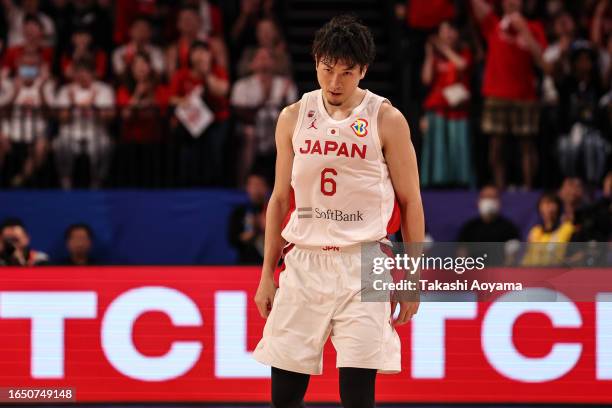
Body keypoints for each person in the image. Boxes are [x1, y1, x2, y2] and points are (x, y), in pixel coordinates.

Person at [252, 15, 424, 408]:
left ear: (363, 71)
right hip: (304, 261)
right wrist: (266, 274)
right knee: (285, 395)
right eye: (327, 70)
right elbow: (279, 199)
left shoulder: (387, 119)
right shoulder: (293, 117)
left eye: (347, 73)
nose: (334, 83)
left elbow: (412, 201)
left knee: (358, 397)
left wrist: (412, 277)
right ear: (315, 61)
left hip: (367, 259)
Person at [471, 0, 547, 189]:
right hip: (496, 94)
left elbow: (542, 60)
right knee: (496, 146)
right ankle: (500, 189)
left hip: (525, 95)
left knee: (527, 146)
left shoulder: (534, 27)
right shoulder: (494, 24)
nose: (512, 2)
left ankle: (528, 188)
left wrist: (524, 30)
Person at [231, 47, 298, 185]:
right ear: (252, 63)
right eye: (260, 58)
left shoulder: (284, 84)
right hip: (252, 127)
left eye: (267, 58)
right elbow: (238, 110)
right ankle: (244, 181)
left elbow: (292, 109)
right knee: (249, 133)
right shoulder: (242, 85)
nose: (264, 62)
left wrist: (282, 101)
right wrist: (262, 106)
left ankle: (285, 182)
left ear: (274, 63)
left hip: (278, 126)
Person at [420, 19, 474, 188]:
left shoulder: (464, 52)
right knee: (437, 150)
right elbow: (426, 79)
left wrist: (444, 48)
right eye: (444, 31)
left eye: (451, 30)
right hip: (437, 108)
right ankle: (437, 185)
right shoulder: (436, 56)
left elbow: (462, 65)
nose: (448, 34)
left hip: (458, 109)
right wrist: (429, 54)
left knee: (459, 147)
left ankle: (461, 184)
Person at [228, 172, 270, 264]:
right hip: (247, 263)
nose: (256, 189)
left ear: (266, 188)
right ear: (247, 188)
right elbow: (233, 240)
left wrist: (270, 228)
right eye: (253, 185)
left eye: (259, 184)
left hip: (272, 263)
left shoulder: (275, 212)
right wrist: (252, 231)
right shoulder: (239, 212)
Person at [522, 191, 574, 266]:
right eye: (544, 203)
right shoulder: (535, 231)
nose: (548, 206)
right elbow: (527, 258)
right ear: (539, 208)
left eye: (551, 203)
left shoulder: (567, 228)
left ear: (558, 207)